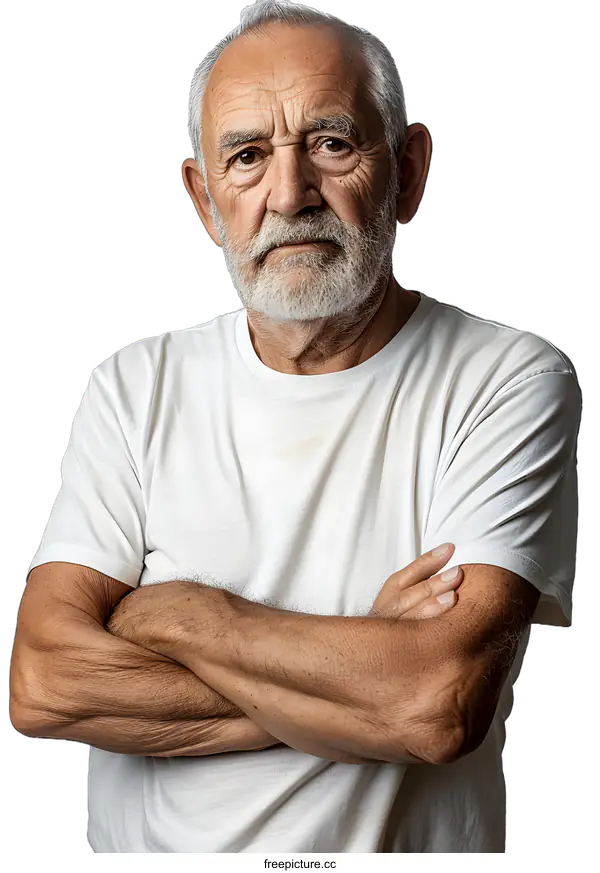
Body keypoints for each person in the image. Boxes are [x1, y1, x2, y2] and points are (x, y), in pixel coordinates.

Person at [16, 0, 581, 853]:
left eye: (331, 143)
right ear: (206, 201)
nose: (290, 195)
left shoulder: (505, 379)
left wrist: (184, 617)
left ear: (411, 169)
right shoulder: (134, 388)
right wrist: (367, 673)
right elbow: (47, 682)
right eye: (247, 157)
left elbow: (435, 703)